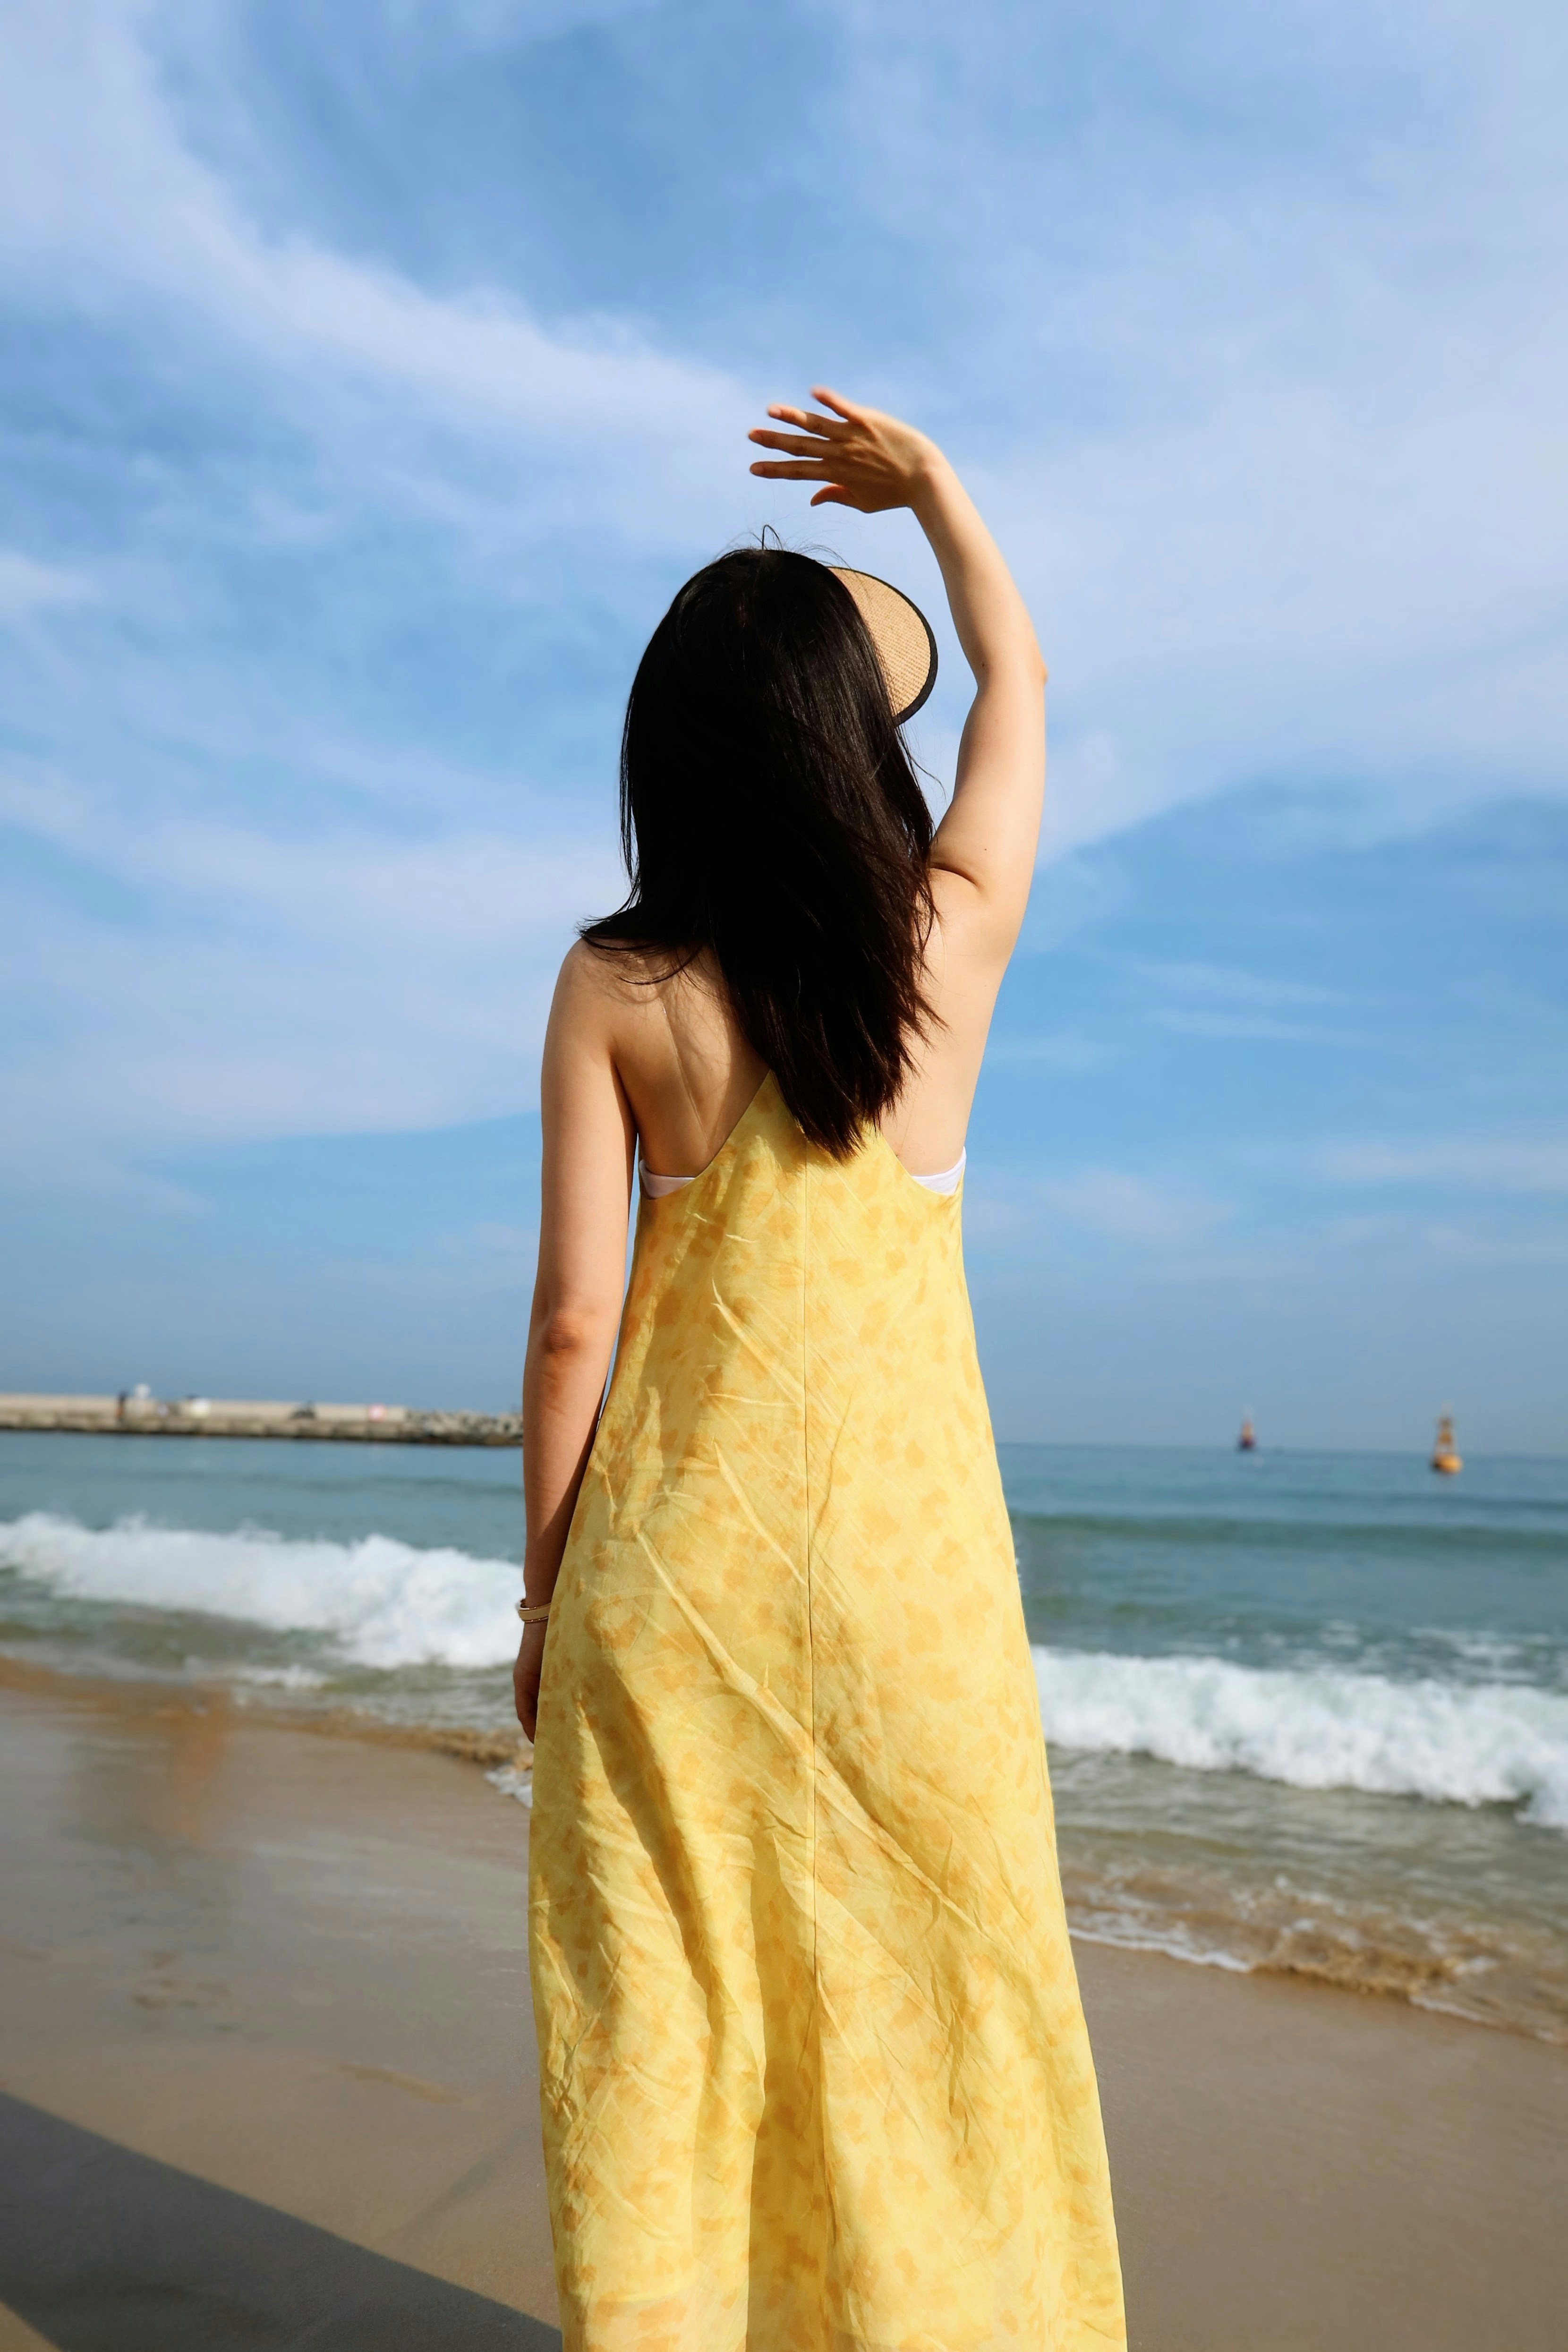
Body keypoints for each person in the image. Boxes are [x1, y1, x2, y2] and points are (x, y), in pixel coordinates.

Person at [516, 389, 1124, 2352]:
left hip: (666, 1590)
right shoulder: (938, 952)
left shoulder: (617, 984)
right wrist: (939, 486)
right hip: (904, 1598)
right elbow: (1015, 678)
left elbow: (571, 1326)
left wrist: (543, 1596)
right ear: (851, 747)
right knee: (943, 2011)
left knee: (663, 2029)